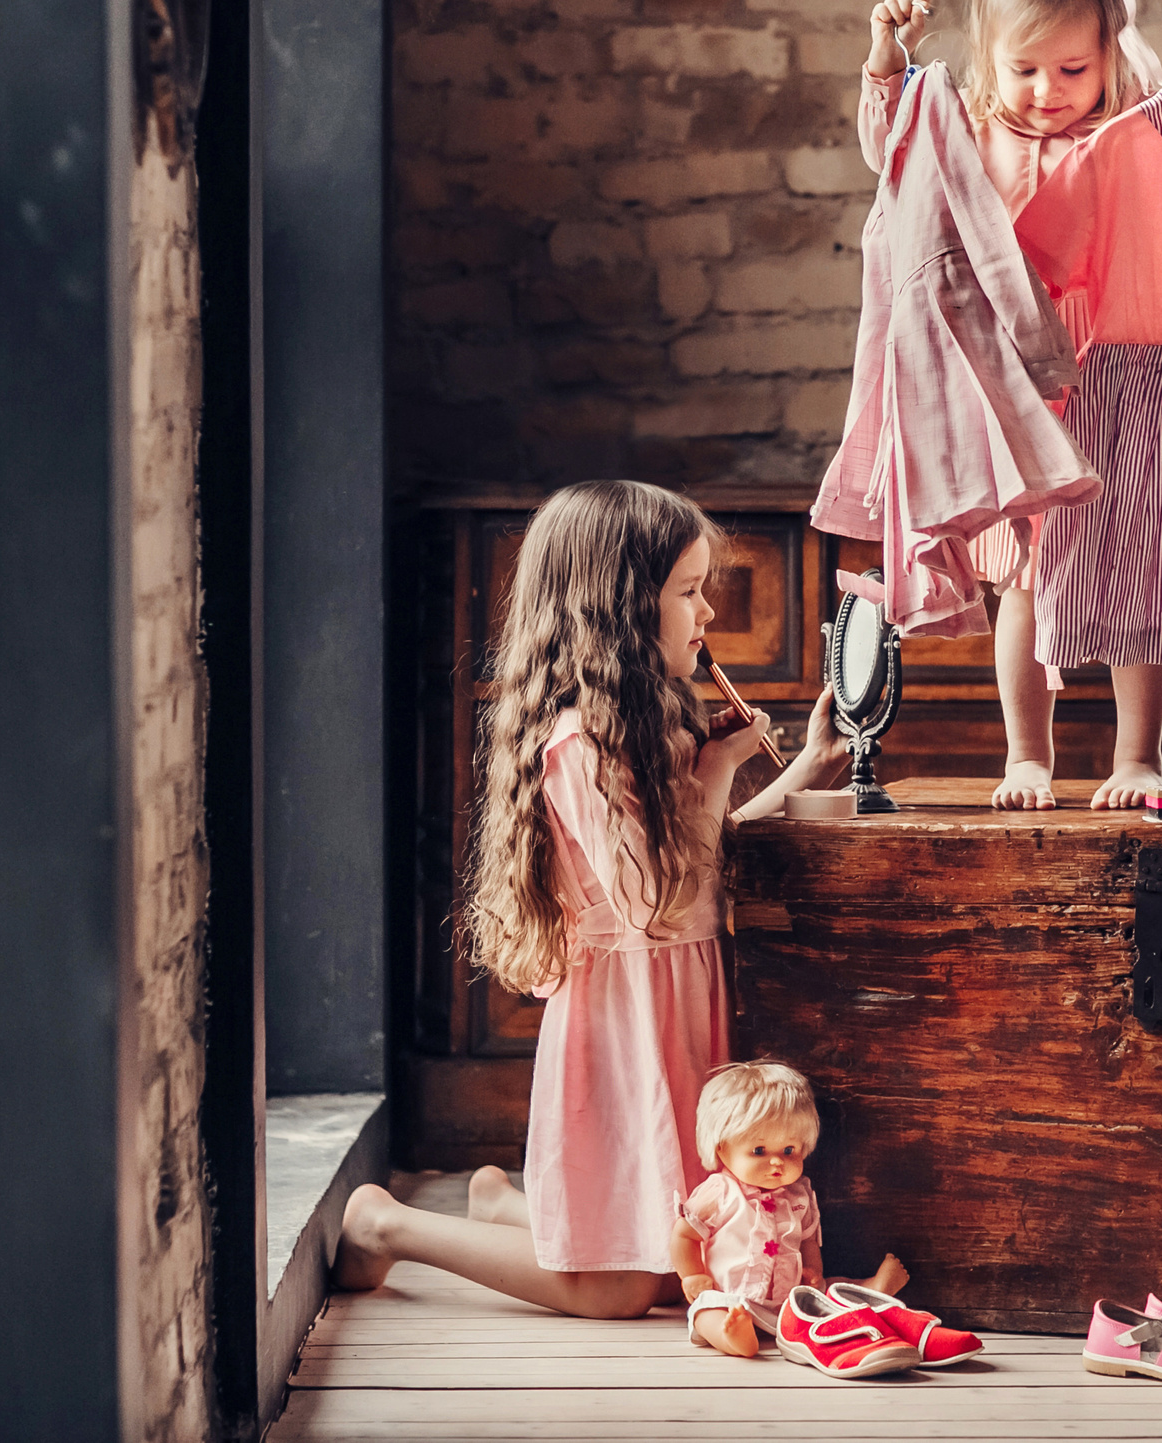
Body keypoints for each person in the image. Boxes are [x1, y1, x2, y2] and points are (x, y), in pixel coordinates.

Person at [331, 481, 850, 1317]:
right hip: (627, 1015)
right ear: (619, 609)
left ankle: (513, 1208)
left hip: (680, 997)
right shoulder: (581, 745)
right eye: (688, 591)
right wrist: (717, 772)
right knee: (622, 1287)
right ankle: (387, 1225)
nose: (708, 612)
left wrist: (806, 768)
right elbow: (653, 902)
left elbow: (700, 865)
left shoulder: (653, 727)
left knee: (684, 1241)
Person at [858, 0, 1162, 814]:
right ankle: (1027, 752)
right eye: (1024, 68)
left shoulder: (1133, 121)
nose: (1047, 90)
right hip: (1027, 396)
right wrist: (888, 63)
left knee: (1141, 579)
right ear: (989, 59)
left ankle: (1137, 756)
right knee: (1027, 585)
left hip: (1128, 381)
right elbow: (891, 154)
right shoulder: (970, 131)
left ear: (1113, 56)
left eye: (1073, 67)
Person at [670, 1060, 910, 1358]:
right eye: (759, 1151)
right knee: (705, 1309)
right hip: (731, 1299)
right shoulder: (719, 1192)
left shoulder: (800, 1194)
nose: (777, 1162)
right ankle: (731, 1335)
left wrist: (814, 1273)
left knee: (826, 1292)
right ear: (721, 1148)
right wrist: (691, 1275)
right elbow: (684, 1236)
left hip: (791, 1302)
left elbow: (809, 1241)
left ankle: (873, 1289)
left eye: (789, 1150)